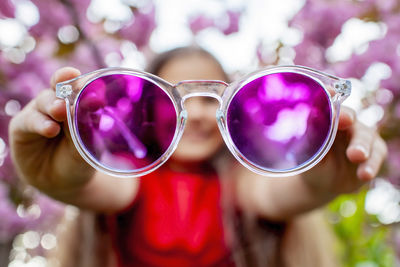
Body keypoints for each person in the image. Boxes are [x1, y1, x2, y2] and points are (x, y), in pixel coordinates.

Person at [8, 46, 387, 267]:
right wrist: (56, 171)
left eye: (214, 100)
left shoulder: (244, 182)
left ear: (233, 114)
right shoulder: (133, 179)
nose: (199, 114)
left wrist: (321, 178)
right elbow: (89, 185)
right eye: (172, 98)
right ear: (148, 111)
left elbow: (282, 195)